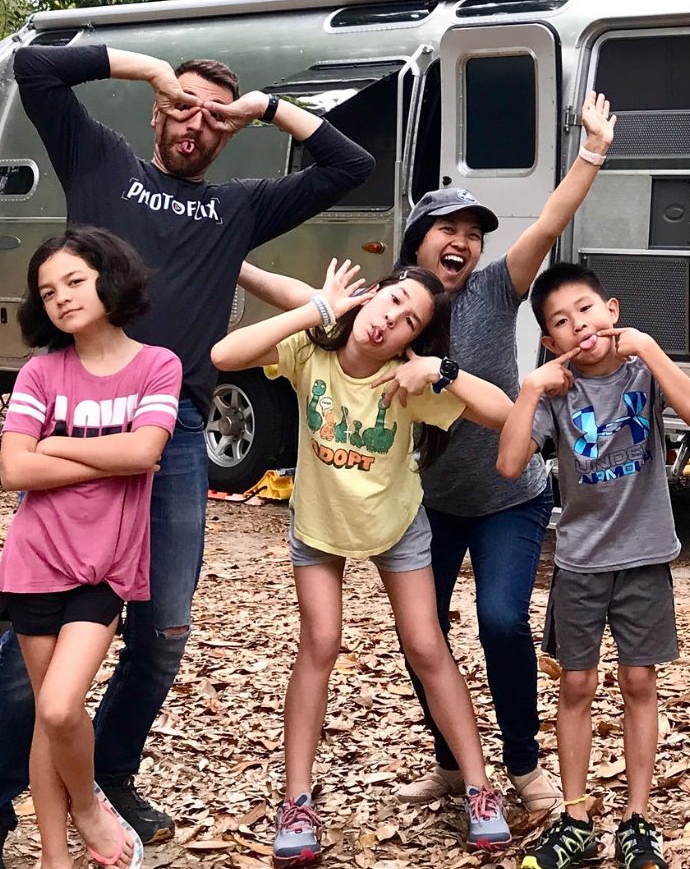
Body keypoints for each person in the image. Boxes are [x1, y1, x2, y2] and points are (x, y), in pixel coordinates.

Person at [0, 43, 374, 869]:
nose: (196, 124)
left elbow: (347, 164)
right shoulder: (103, 164)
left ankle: (105, 776)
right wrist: (148, 68)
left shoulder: (237, 208)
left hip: (173, 429)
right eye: (182, 106)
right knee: (37, 630)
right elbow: (34, 69)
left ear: (230, 133)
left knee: (163, 630)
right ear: (157, 112)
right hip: (78, 412)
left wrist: (265, 109)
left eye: (214, 118)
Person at [234, 92, 618, 816]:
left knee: (501, 621)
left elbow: (548, 222)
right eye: (449, 228)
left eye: (473, 234)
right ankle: (451, 766)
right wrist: (230, 258)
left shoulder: (496, 289)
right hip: (428, 503)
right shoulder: (390, 308)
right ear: (418, 242)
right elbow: (302, 299)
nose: (463, 241)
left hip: (507, 496)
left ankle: (523, 765)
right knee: (426, 636)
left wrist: (592, 152)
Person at [211, 260, 520, 866]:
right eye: (393, 301)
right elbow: (225, 355)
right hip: (320, 524)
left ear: (414, 341)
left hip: (395, 523)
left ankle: (479, 790)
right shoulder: (311, 350)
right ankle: (297, 801)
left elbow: (505, 412)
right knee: (320, 643)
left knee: (426, 646)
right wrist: (318, 308)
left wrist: (443, 370)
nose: (390, 322)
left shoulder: (409, 380)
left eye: (410, 323)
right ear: (371, 295)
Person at [497, 263, 690, 869]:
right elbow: (509, 464)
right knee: (577, 685)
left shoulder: (642, 371)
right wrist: (530, 389)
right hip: (582, 561)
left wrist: (650, 347)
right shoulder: (556, 393)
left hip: (645, 555)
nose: (579, 326)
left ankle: (638, 820)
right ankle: (576, 817)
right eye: (561, 322)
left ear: (611, 310)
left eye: (586, 310)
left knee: (640, 682)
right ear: (550, 341)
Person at [0, 227, 184, 869]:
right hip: (34, 561)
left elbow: (146, 451)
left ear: (110, 278)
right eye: (48, 292)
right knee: (48, 719)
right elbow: (15, 470)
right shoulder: (41, 371)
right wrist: (110, 457)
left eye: (75, 281)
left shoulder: (157, 365)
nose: (62, 298)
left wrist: (56, 444)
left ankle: (86, 806)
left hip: (105, 565)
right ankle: (54, 858)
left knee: (58, 706)